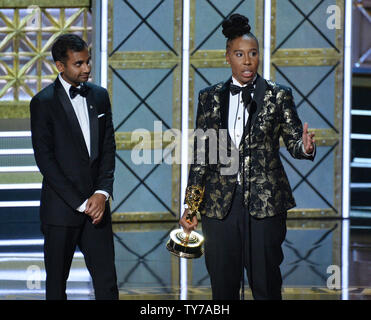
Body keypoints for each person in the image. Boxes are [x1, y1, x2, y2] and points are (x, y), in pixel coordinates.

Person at [179, 14, 316, 300]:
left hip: (265, 203)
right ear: (227, 57)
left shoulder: (278, 95)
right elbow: (202, 156)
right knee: (223, 285)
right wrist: (191, 206)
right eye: (240, 54)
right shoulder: (209, 97)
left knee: (266, 283)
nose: (247, 60)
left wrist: (304, 147)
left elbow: (293, 142)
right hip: (219, 206)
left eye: (253, 54)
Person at [30, 34, 118, 300]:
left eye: (88, 62)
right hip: (61, 211)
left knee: (107, 284)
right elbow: (45, 161)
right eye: (78, 64)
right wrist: (82, 202)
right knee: (56, 286)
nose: (87, 68)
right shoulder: (42, 103)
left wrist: (101, 193)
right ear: (60, 66)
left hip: (98, 211)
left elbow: (108, 149)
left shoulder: (100, 96)